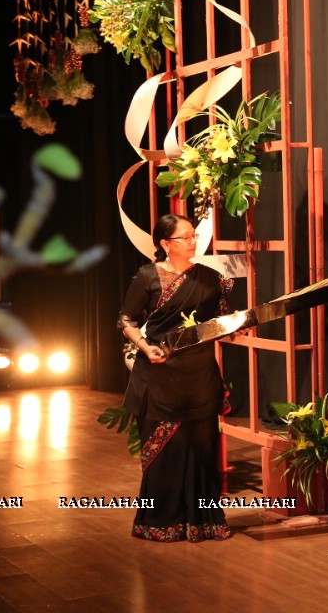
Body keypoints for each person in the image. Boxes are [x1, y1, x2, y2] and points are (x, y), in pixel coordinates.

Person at [118, 213, 232, 542]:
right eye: (185, 237)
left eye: (194, 235)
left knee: (203, 451)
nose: (193, 241)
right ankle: (160, 521)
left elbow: (223, 319)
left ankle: (204, 521)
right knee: (165, 453)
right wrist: (144, 346)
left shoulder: (210, 278)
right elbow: (125, 319)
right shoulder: (147, 276)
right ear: (165, 244)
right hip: (159, 375)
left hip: (198, 376)